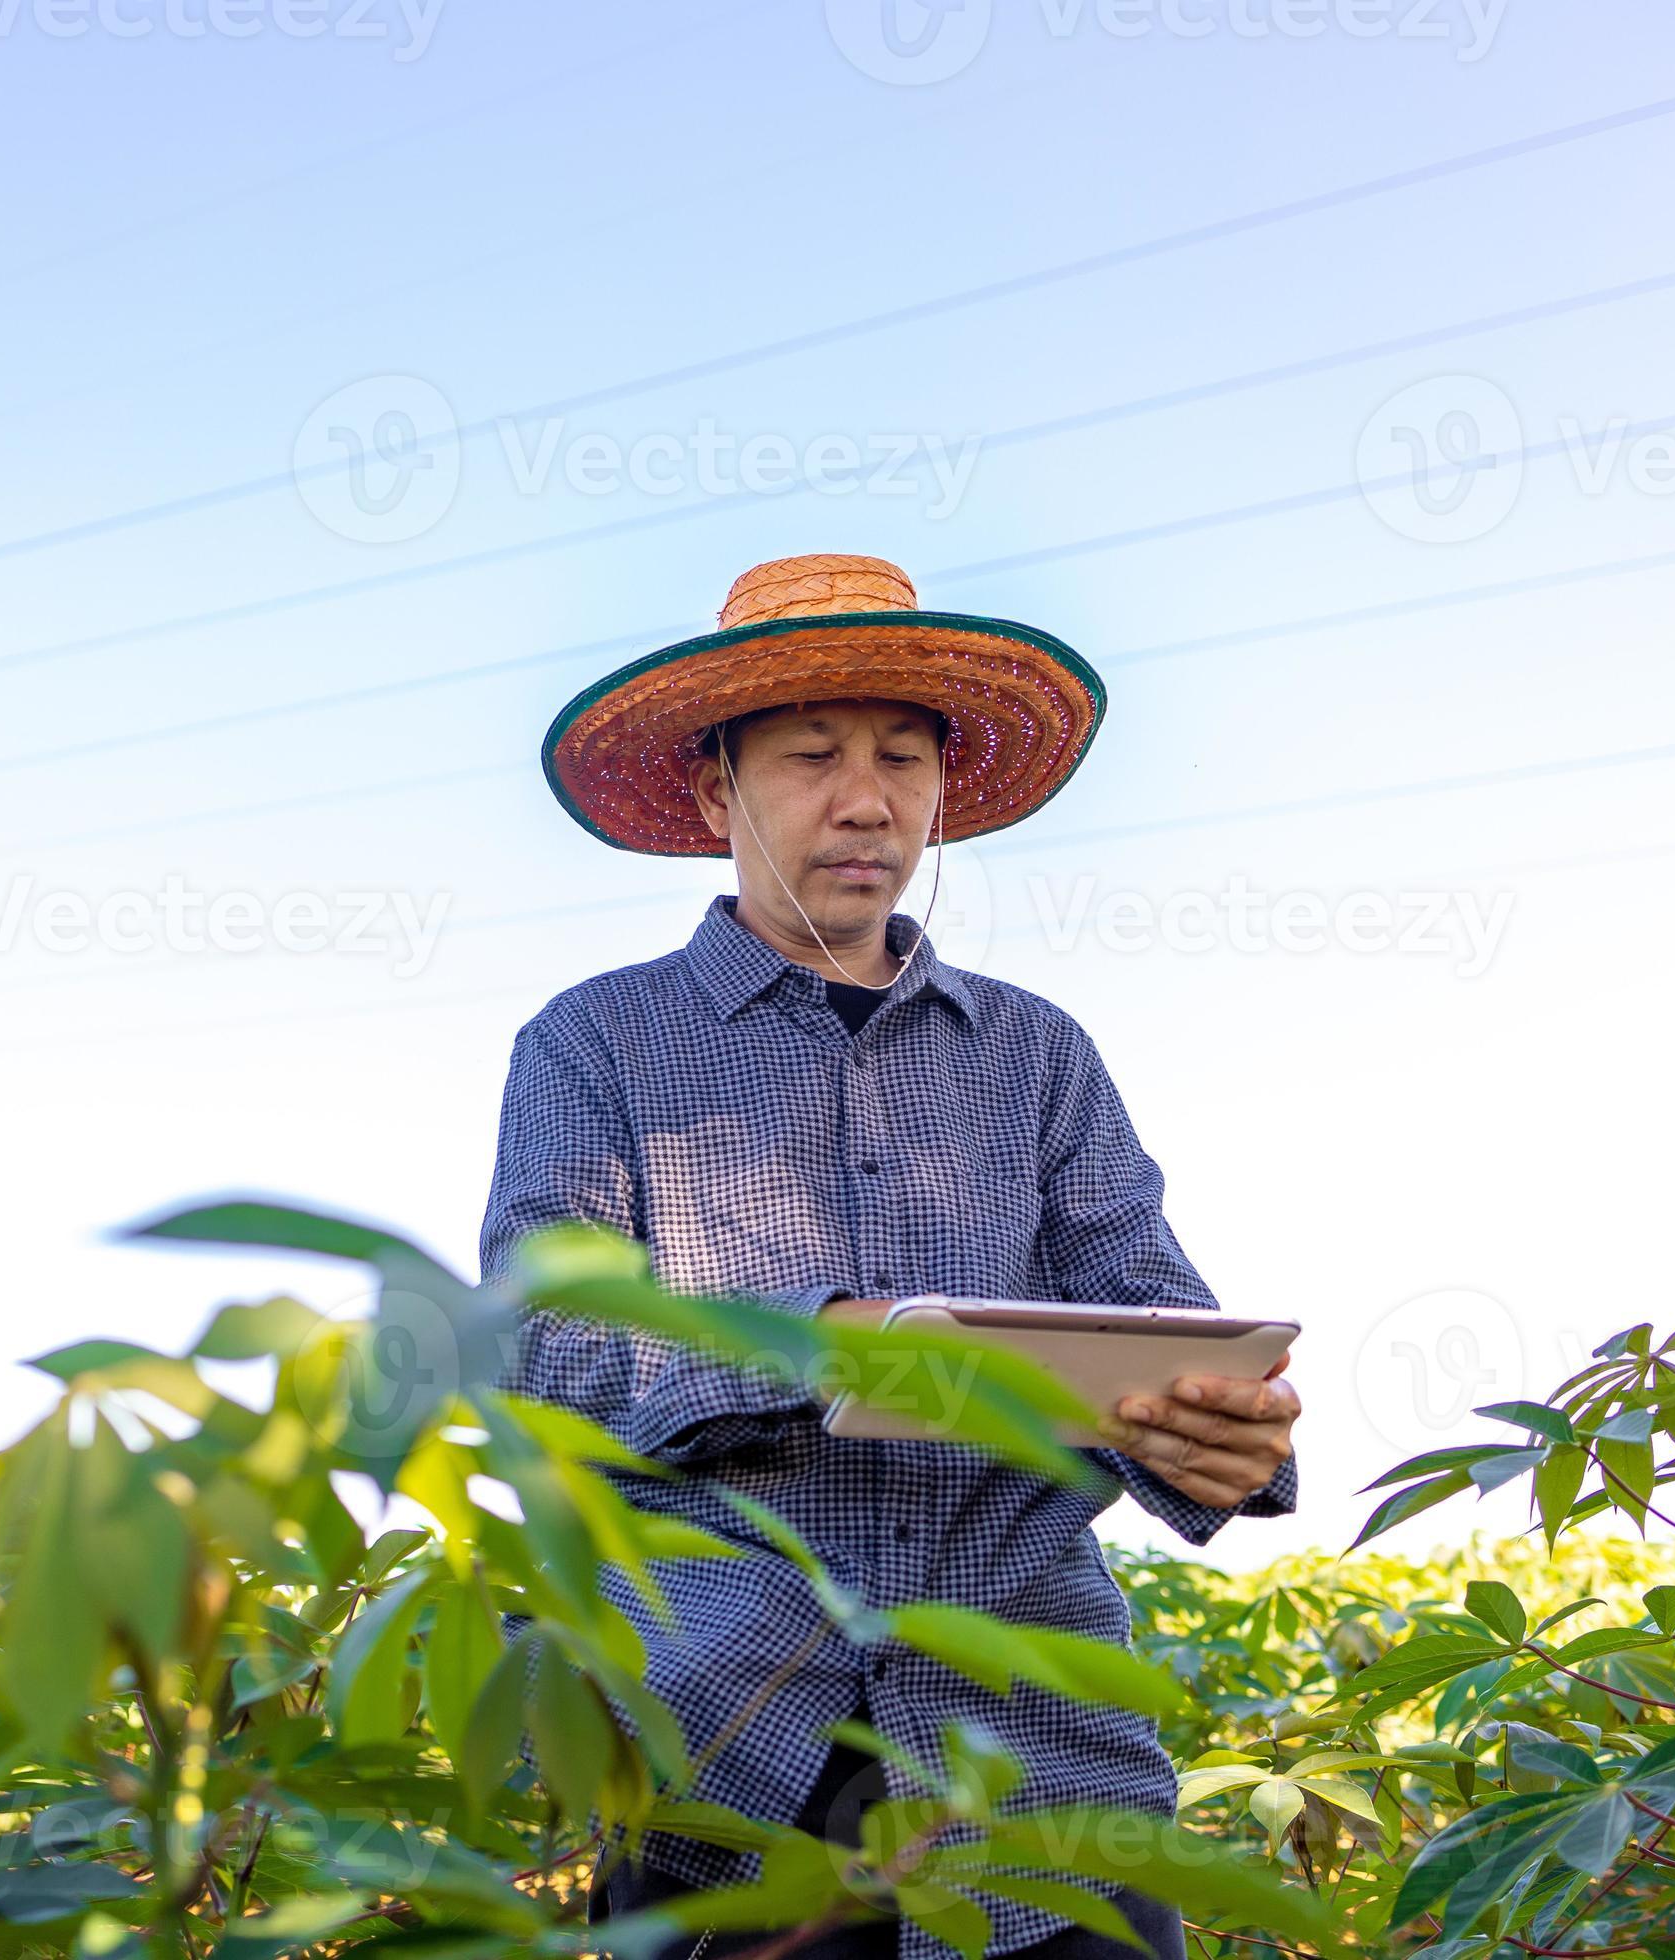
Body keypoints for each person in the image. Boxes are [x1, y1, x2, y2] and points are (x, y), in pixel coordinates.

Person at [480, 555, 1302, 1960]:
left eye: (904, 759)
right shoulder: (594, 1044)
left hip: (1039, 1758)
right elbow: (544, 1350)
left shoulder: (1040, 1055)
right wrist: (820, 1341)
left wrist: (1225, 1435)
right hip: (728, 1751)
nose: (866, 801)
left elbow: (1145, 1317)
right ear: (711, 790)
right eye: (811, 756)